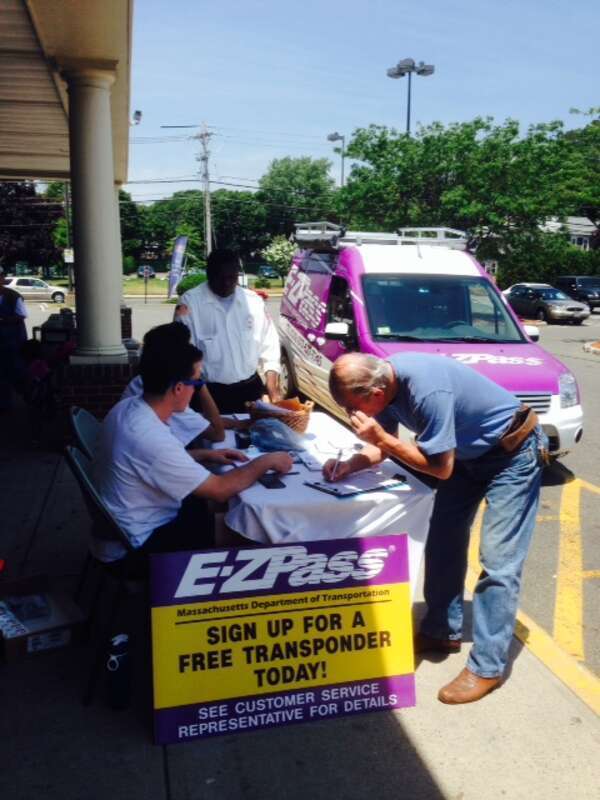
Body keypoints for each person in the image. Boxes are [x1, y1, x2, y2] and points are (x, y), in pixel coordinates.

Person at [325, 352, 545, 705]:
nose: (357, 416)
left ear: (377, 391)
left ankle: (487, 668)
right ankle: (442, 629)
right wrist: (351, 464)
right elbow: (383, 449)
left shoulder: (426, 391)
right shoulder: (386, 383)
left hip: (512, 453)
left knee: (499, 562)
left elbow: (438, 468)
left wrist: (381, 437)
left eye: (357, 407)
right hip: (466, 458)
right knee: (442, 541)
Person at [93, 337, 293, 571]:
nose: (197, 389)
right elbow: (219, 490)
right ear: (178, 388)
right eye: (197, 383)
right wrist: (267, 461)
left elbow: (146, 463)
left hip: (127, 527)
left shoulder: (128, 408)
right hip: (134, 547)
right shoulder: (149, 436)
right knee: (254, 532)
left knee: (226, 510)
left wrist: (203, 455)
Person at [175, 248, 282, 413]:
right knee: (216, 438)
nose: (226, 284)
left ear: (238, 275)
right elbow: (182, 355)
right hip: (208, 394)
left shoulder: (253, 302)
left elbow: (270, 346)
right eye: (220, 278)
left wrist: (272, 386)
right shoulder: (190, 303)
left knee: (255, 436)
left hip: (250, 389)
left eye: (231, 278)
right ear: (209, 274)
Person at [0, 267, 27, 411]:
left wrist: (4, 320)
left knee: (13, 371)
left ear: (2, 279)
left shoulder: (13, 296)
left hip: (12, 340)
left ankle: (15, 401)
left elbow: (22, 315)